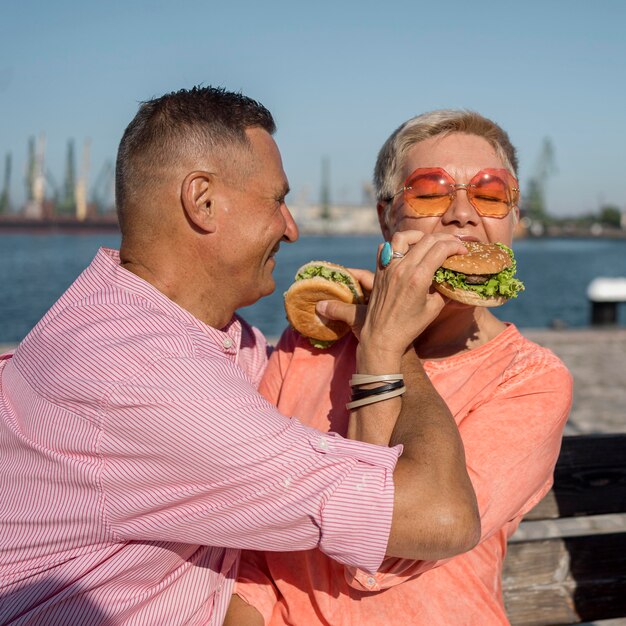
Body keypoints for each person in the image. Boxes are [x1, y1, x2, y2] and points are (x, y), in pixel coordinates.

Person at [0, 88, 480, 625]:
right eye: (277, 200)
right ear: (201, 201)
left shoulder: (163, 326)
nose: (291, 228)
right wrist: (392, 341)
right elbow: (442, 515)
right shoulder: (147, 379)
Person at [228, 110, 574, 625]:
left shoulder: (531, 383)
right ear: (386, 217)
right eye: (431, 191)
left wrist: (388, 344)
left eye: (490, 193)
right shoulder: (310, 342)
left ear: (513, 220)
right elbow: (246, 548)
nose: (462, 213)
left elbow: (382, 551)